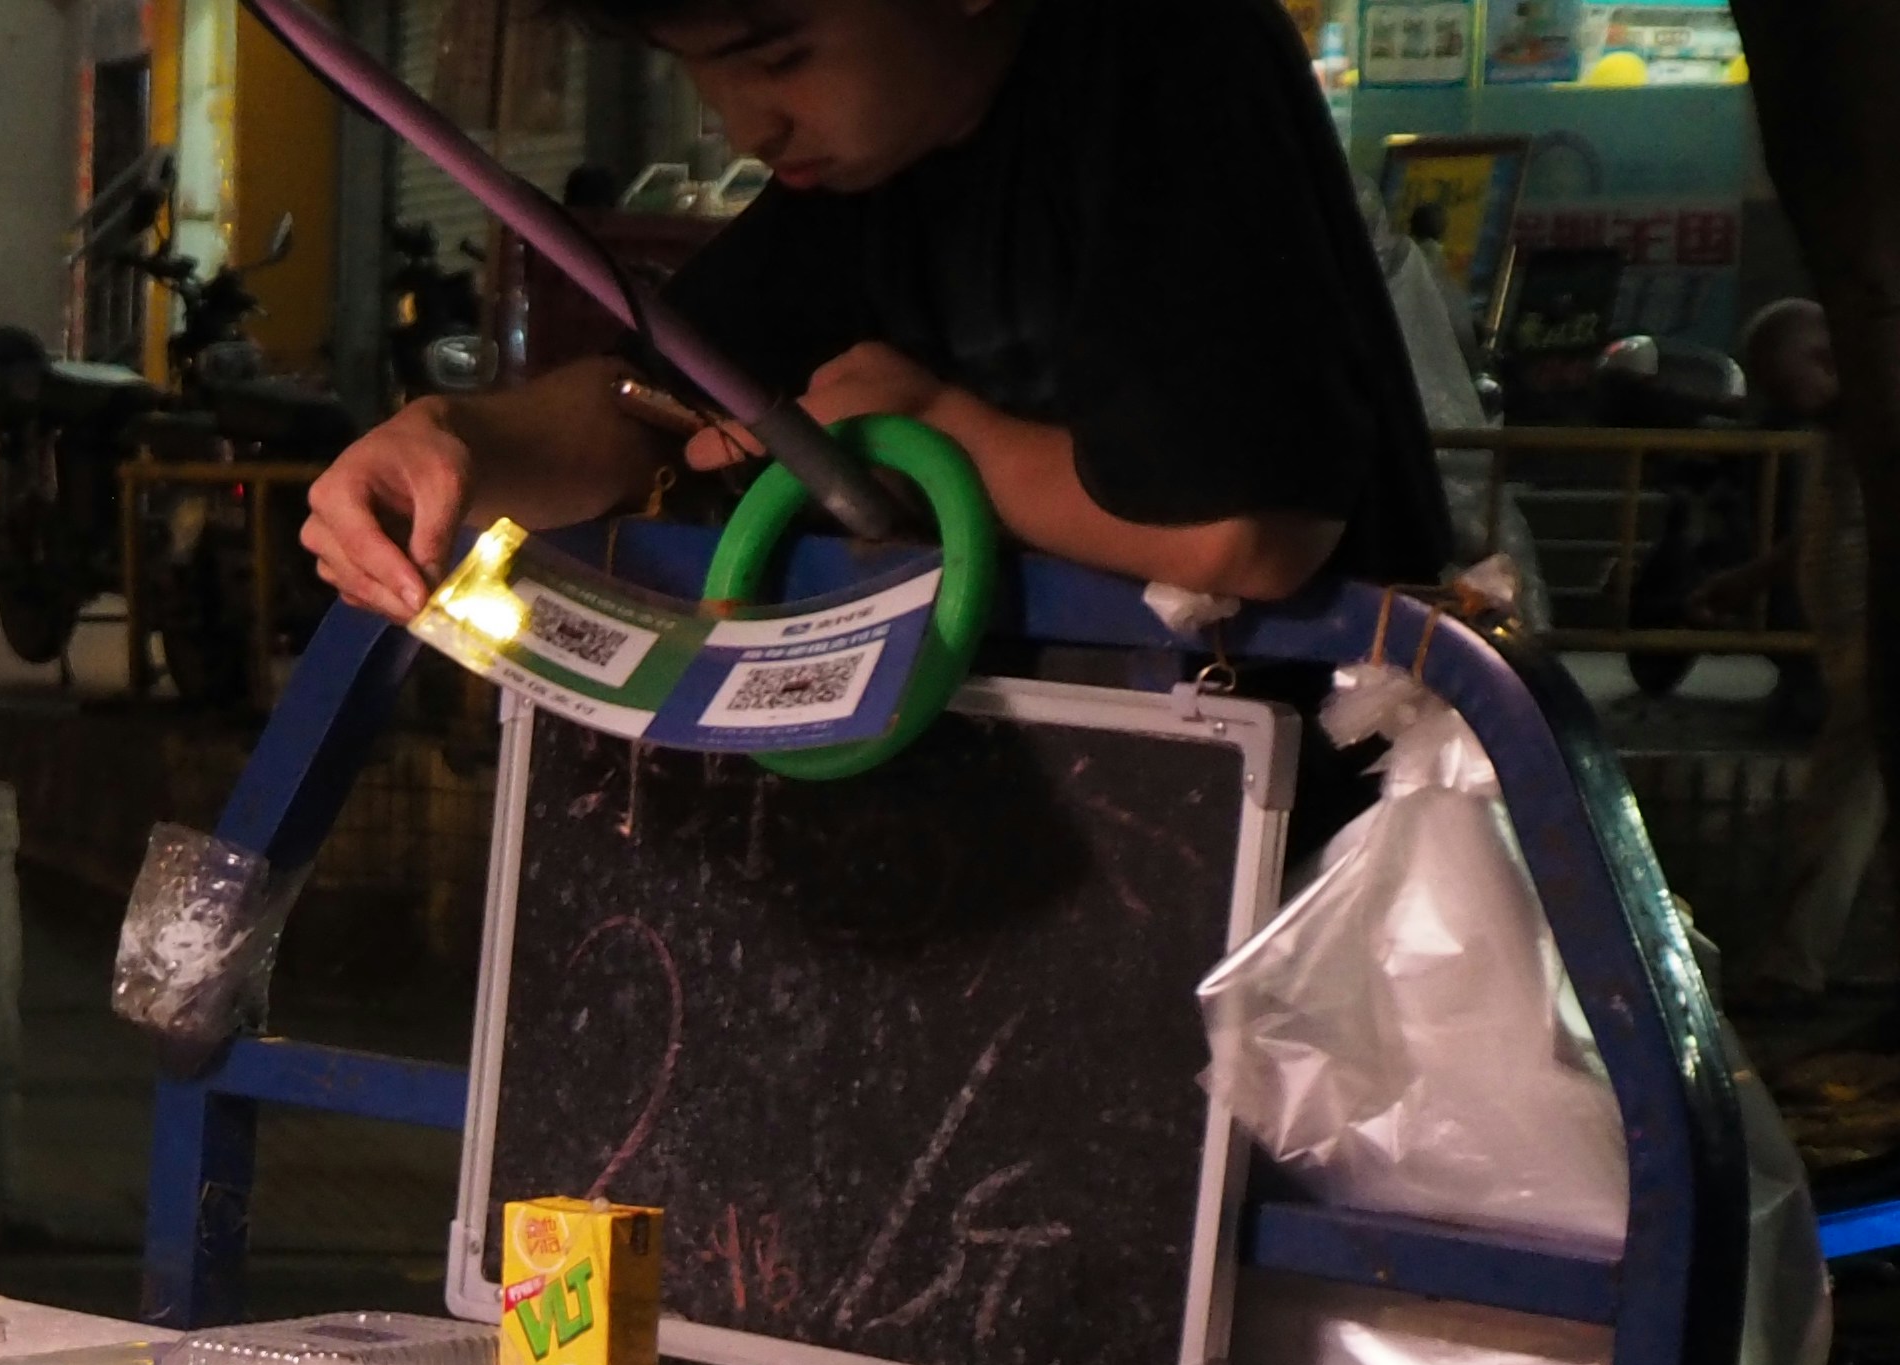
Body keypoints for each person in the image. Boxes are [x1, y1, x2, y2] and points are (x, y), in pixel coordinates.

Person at [304, 0, 1452, 629]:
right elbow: (648, 399)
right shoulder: (870, 173)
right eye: (704, 72)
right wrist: (452, 444)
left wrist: (937, 434)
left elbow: (1241, 534)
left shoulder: (1164, 57)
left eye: (779, 56)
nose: (749, 124)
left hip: (1323, 827)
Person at [1726, 299, 1875, 1017]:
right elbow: (1823, 535)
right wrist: (1743, 582)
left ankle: (1794, 969)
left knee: (1839, 803)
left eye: (1790, 387)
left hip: (1880, 654)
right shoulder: (1847, 430)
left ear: (1828, 361)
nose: (1786, 407)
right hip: (1858, 651)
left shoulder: (1877, 423)